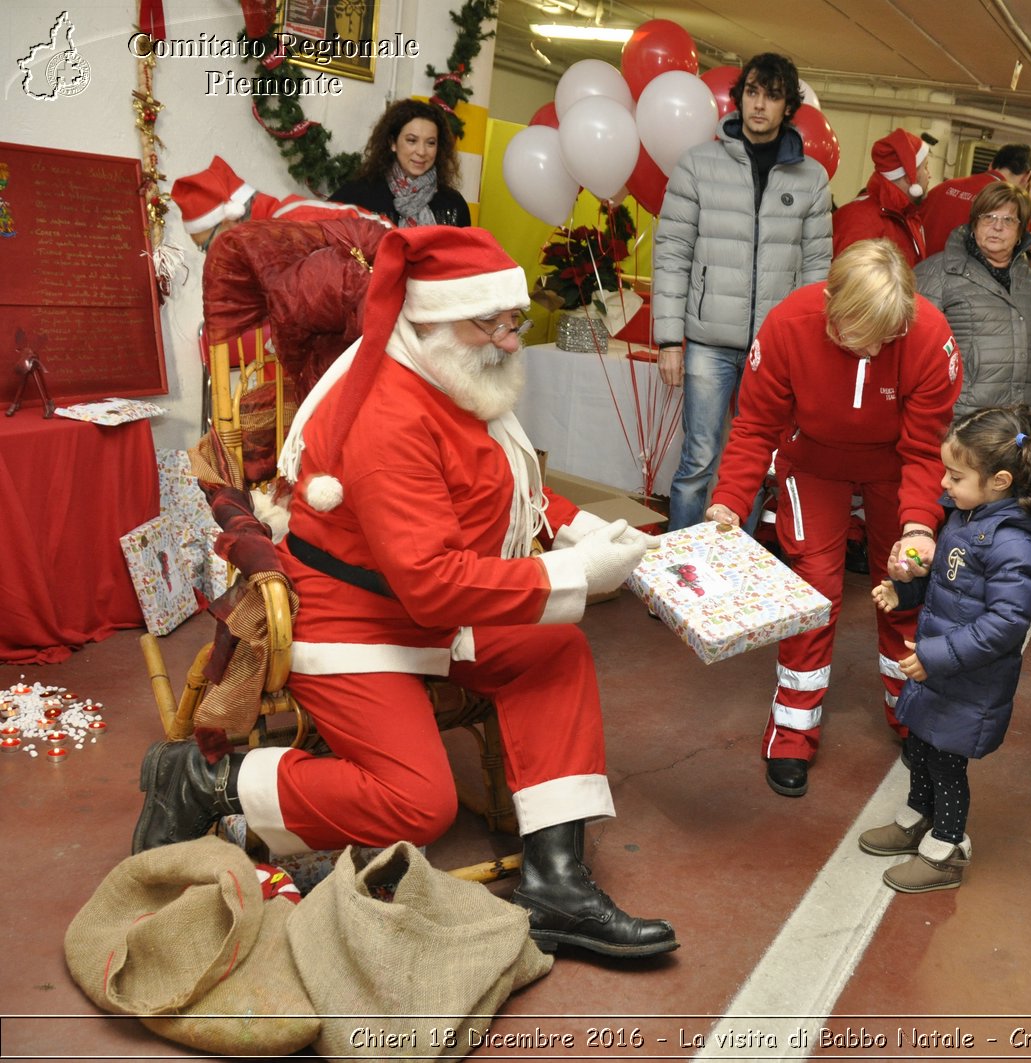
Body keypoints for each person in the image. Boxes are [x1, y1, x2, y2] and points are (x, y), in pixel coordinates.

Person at [130, 226, 678, 958]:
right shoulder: (391, 414)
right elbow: (432, 584)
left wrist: (581, 531)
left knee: (557, 650)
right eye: (493, 322)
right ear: (427, 318)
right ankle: (207, 778)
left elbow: (507, 489)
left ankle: (556, 886)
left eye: (513, 321)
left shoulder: (453, 371)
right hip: (355, 619)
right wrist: (570, 574)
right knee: (419, 804)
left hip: (426, 608)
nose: (511, 341)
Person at [703, 240, 962, 798]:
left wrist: (919, 526)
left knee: (904, 583)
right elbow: (753, 428)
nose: (874, 347)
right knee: (813, 592)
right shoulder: (788, 325)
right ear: (833, 308)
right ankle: (792, 733)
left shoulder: (928, 337)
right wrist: (728, 502)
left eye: (887, 335)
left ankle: (909, 716)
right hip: (812, 464)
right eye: (861, 333)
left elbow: (925, 450)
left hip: (896, 468)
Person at [857, 407, 1031, 893]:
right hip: (943, 663)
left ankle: (945, 850)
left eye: (955, 476)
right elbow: (947, 586)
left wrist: (934, 657)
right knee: (920, 745)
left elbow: (1005, 624)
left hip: (968, 675)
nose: (944, 485)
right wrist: (903, 592)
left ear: (999, 480)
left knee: (947, 762)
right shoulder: (969, 516)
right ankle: (916, 819)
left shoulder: (1016, 544)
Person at [653, 52, 833, 532]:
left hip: (773, 349)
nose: (759, 105)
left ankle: (733, 578)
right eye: (752, 92)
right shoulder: (696, 165)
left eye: (772, 96)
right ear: (738, 99)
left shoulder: (811, 178)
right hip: (707, 343)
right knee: (698, 461)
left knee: (752, 464)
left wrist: (810, 348)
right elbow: (672, 253)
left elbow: (818, 271)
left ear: (788, 106)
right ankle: (679, 577)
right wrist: (670, 340)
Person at [914, 181, 1031, 425]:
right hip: (961, 426)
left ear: (1021, 229)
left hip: (1020, 430)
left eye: (1008, 220)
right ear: (974, 223)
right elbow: (915, 355)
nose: (997, 227)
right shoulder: (937, 273)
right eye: (988, 217)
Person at [171, 155, 388, 250]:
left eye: (207, 246)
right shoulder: (265, 239)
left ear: (229, 220)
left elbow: (386, 232)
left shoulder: (293, 220)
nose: (210, 256)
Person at [331, 99, 470, 228]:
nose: (421, 151)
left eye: (430, 143)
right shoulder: (357, 195)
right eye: (411, 140)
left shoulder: (454, 204)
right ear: (393, 143)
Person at [917, 143, 1031, 258]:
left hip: (919, 271)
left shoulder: (943, 187)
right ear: (1027, 176)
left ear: (991, 165)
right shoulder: (1016, 207)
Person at [831, 128, 930, 265]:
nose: (929, 175)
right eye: (925, 167)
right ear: (910, 177)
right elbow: (851, 283)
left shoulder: (908, 217)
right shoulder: (859, 220)